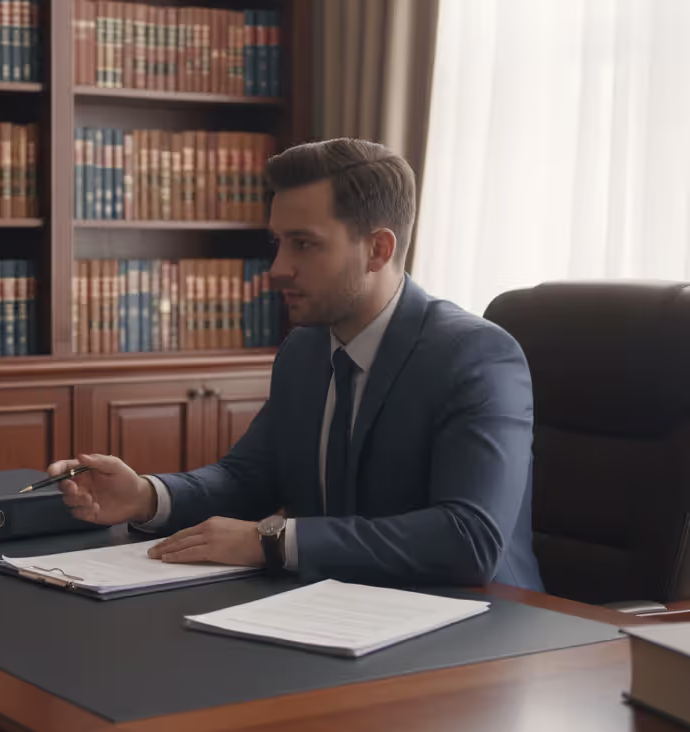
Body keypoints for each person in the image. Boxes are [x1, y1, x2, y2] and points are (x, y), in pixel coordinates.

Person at [49, 138, 544, 590]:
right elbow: (249, 478)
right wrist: (146, 496)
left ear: (378, 249)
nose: (277, 269)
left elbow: (469, 539)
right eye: (279, 242)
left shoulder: (476, 357)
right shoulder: (305, 349)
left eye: (303, 244)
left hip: (484, 625)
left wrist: (272, 541)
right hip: (337, 608)